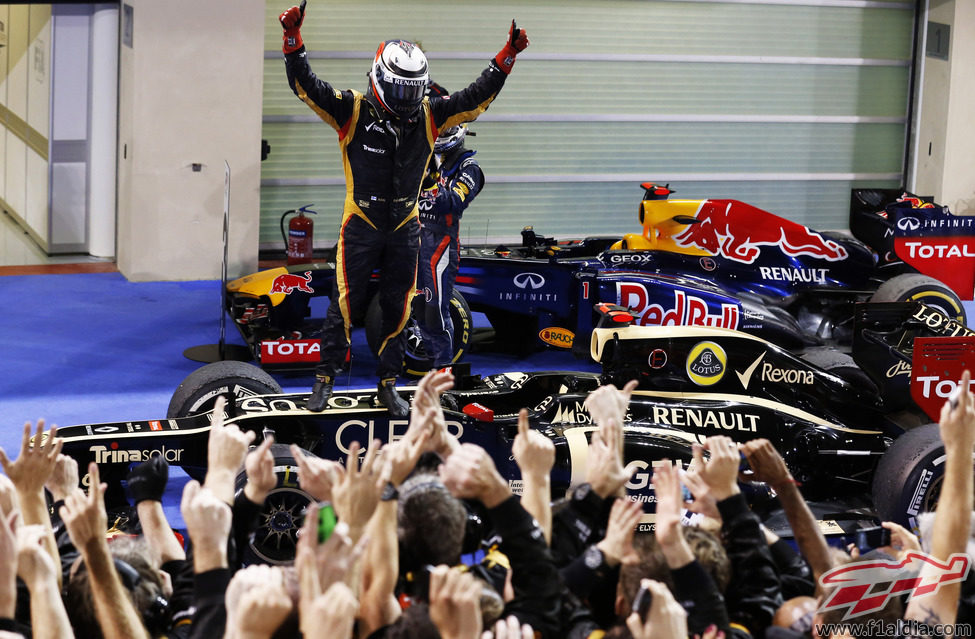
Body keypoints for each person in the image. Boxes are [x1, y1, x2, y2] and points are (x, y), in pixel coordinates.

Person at [278, 2, 529, 416]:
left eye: (414, 90)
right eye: (399, 89)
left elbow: (475, 96)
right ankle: (324, 378)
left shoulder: (431, 115)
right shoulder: (351, 109)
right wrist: (293, 40)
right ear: (379, 80)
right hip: (360, 223)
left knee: (400, 305)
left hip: (405, 228)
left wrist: (506, 57)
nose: (407, 98)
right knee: (344, 304)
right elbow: (306, 85)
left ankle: (388, 384)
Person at [417, 122, 484, 369]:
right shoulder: (429, 160)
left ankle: (444, 368)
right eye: (438, 130)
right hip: (416, 239)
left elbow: (454, 203)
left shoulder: (469, 167)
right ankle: (431, 366)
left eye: (445, 131)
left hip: (441, 245)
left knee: (435, 309)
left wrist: (428, 182)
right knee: (419, 308)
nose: (440, 135)